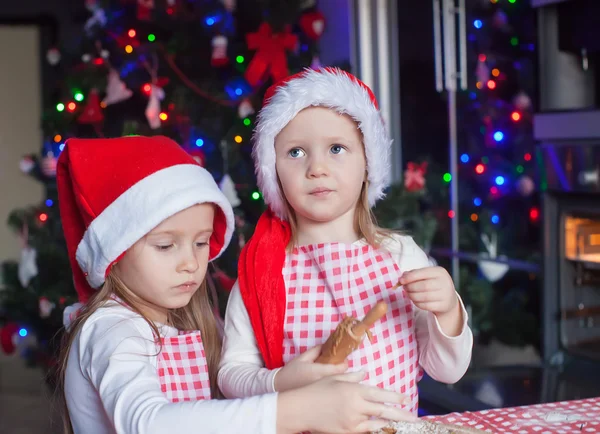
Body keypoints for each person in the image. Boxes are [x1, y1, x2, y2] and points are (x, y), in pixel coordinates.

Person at [56, 135, 415, 434]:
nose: (191, 263)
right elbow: (146, 423)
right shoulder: (111, 329)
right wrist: (298, 409)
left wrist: (284, 380)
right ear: (114, 253)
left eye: (201, 242)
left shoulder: (180, 320)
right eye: (166, 245)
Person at [218, 67, 474, 414]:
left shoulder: (400, 256)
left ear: (368, 163)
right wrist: (280, 381)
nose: (317, 168)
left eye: (336, 148)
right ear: (272, 170)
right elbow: (232, 376)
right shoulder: (263, 274)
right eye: (296, 152)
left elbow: (447, 371)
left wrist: (447, 311)